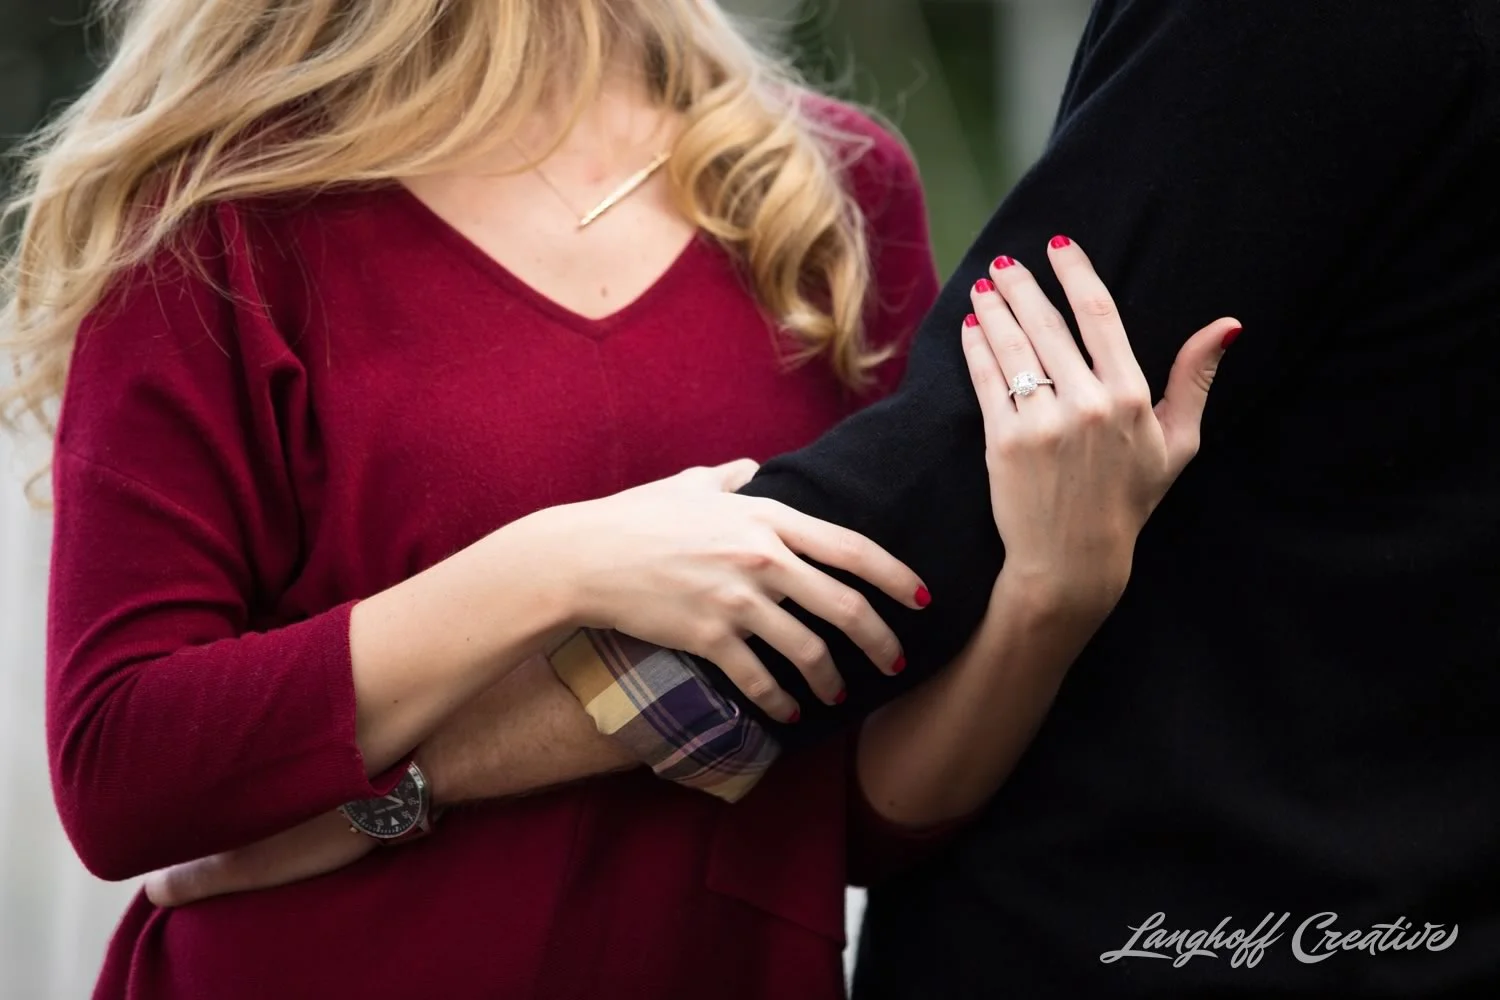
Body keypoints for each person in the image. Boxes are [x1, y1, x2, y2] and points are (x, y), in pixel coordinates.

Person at [162, 2, 1500, 998]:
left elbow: (868, 766)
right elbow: (126, 771)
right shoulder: (214, 223)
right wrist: (553, 563)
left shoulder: (821, 193)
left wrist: (389, 791)